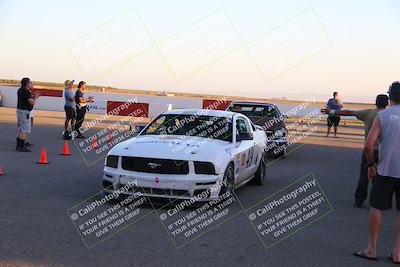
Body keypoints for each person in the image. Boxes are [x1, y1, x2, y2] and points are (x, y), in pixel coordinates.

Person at [354, 82, 400, 263]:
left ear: (390, 98)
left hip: (385, 169)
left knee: (376, 207)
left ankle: (372, 249)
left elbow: (368, 145)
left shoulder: (383, 115)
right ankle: (397, 254)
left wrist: (371, 165)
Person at [322, 94, 389, 207]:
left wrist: (331, 112)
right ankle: (379, 201)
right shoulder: (390, 115)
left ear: (375, 102)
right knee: (382, 177)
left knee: (364, 175)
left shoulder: (368, 113)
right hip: (385, 151)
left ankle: (359, 199)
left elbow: (349, 112)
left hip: (369, 150)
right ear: (387, 103)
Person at [16, 78, 36, 152]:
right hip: (24, 112)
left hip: (19, 110)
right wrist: (35, 97)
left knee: (21, 128)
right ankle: (21, 146)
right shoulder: (26, 92)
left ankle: (18, 145)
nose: (32, 84)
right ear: (27, 84)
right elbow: (32, 102)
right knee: (25, 129)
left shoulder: (20, 89)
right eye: (30, 82)